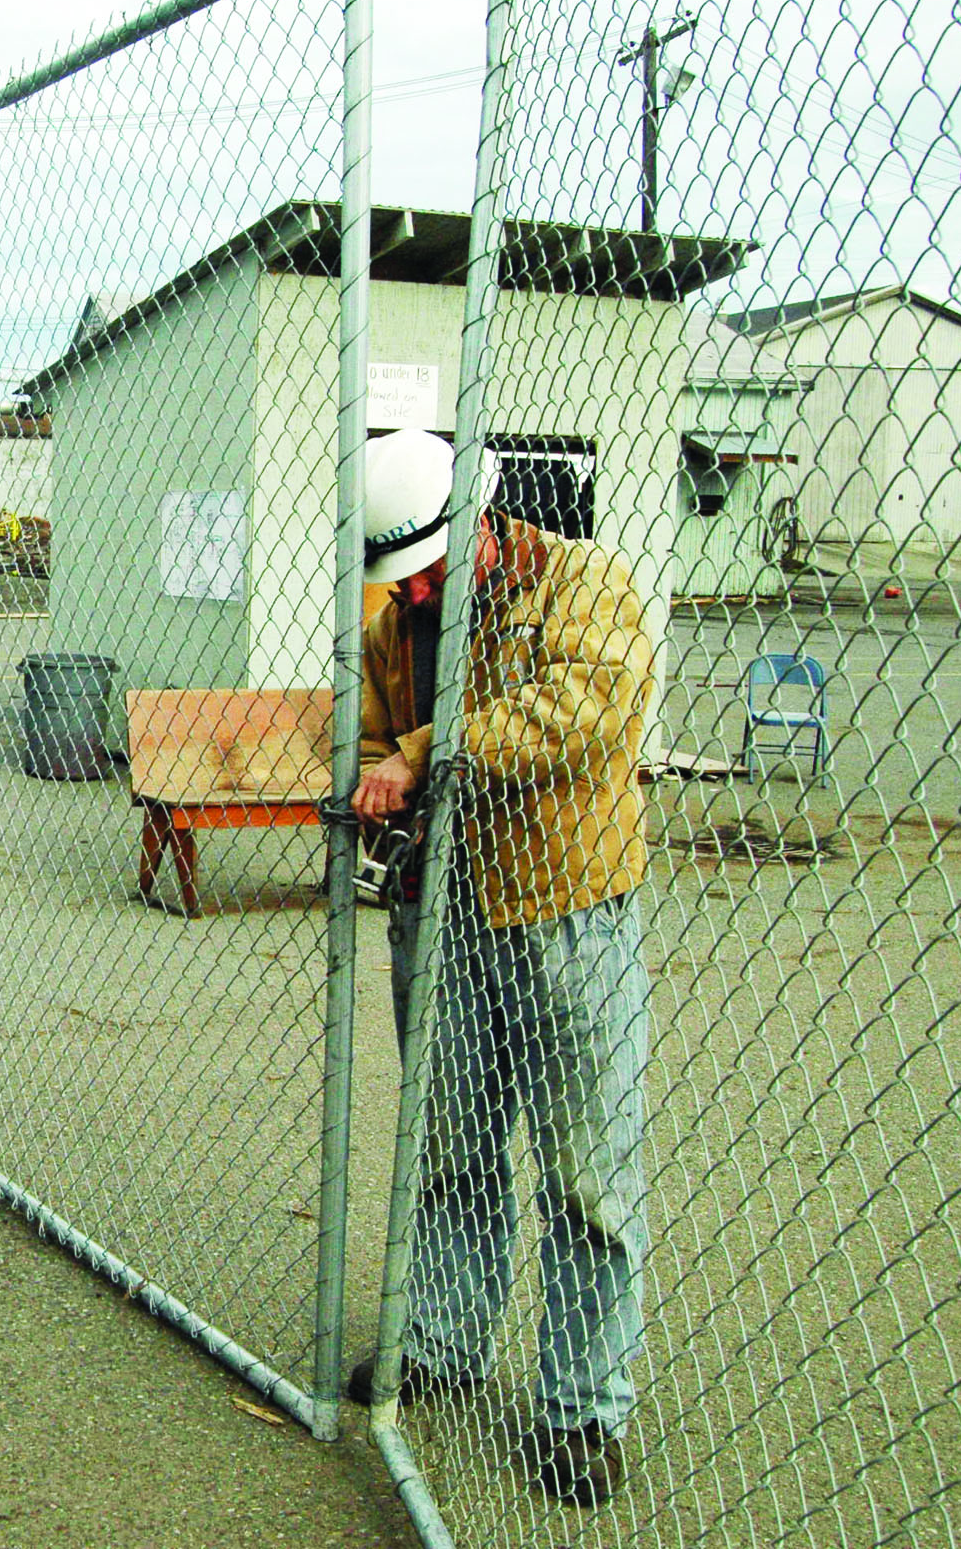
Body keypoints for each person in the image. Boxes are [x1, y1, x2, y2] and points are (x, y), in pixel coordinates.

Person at [345, 429, 655, 1509]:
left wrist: (421, 753)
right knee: (455, 1150)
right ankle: (442, 1338)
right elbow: (374, 731)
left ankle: (582, 1410)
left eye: (429, 563)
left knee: (588, 1179)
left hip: (565, 911)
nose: (416, 589)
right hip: (445, 913)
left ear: (481, 521)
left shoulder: (585, 584)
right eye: (402, 574)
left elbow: (582, 715)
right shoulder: (399, 619)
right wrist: (371, 770)